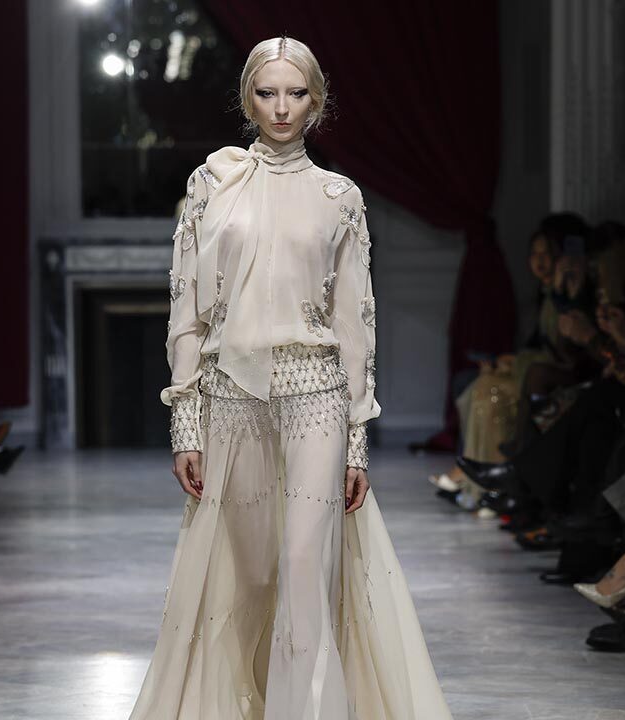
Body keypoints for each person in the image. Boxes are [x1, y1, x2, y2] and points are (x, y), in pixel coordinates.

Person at [127, 37, 453, 720]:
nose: (281, 108)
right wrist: (185, 421)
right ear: (247, 99)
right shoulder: (212, 183)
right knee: (248, 578)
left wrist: (357, 440)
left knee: (307, 569)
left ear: (317, 101)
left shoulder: (340, 197)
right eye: (267, 93)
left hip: (316, 396)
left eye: (296, 93)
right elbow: (187, 308)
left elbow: (355, 322)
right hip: (229, 396)